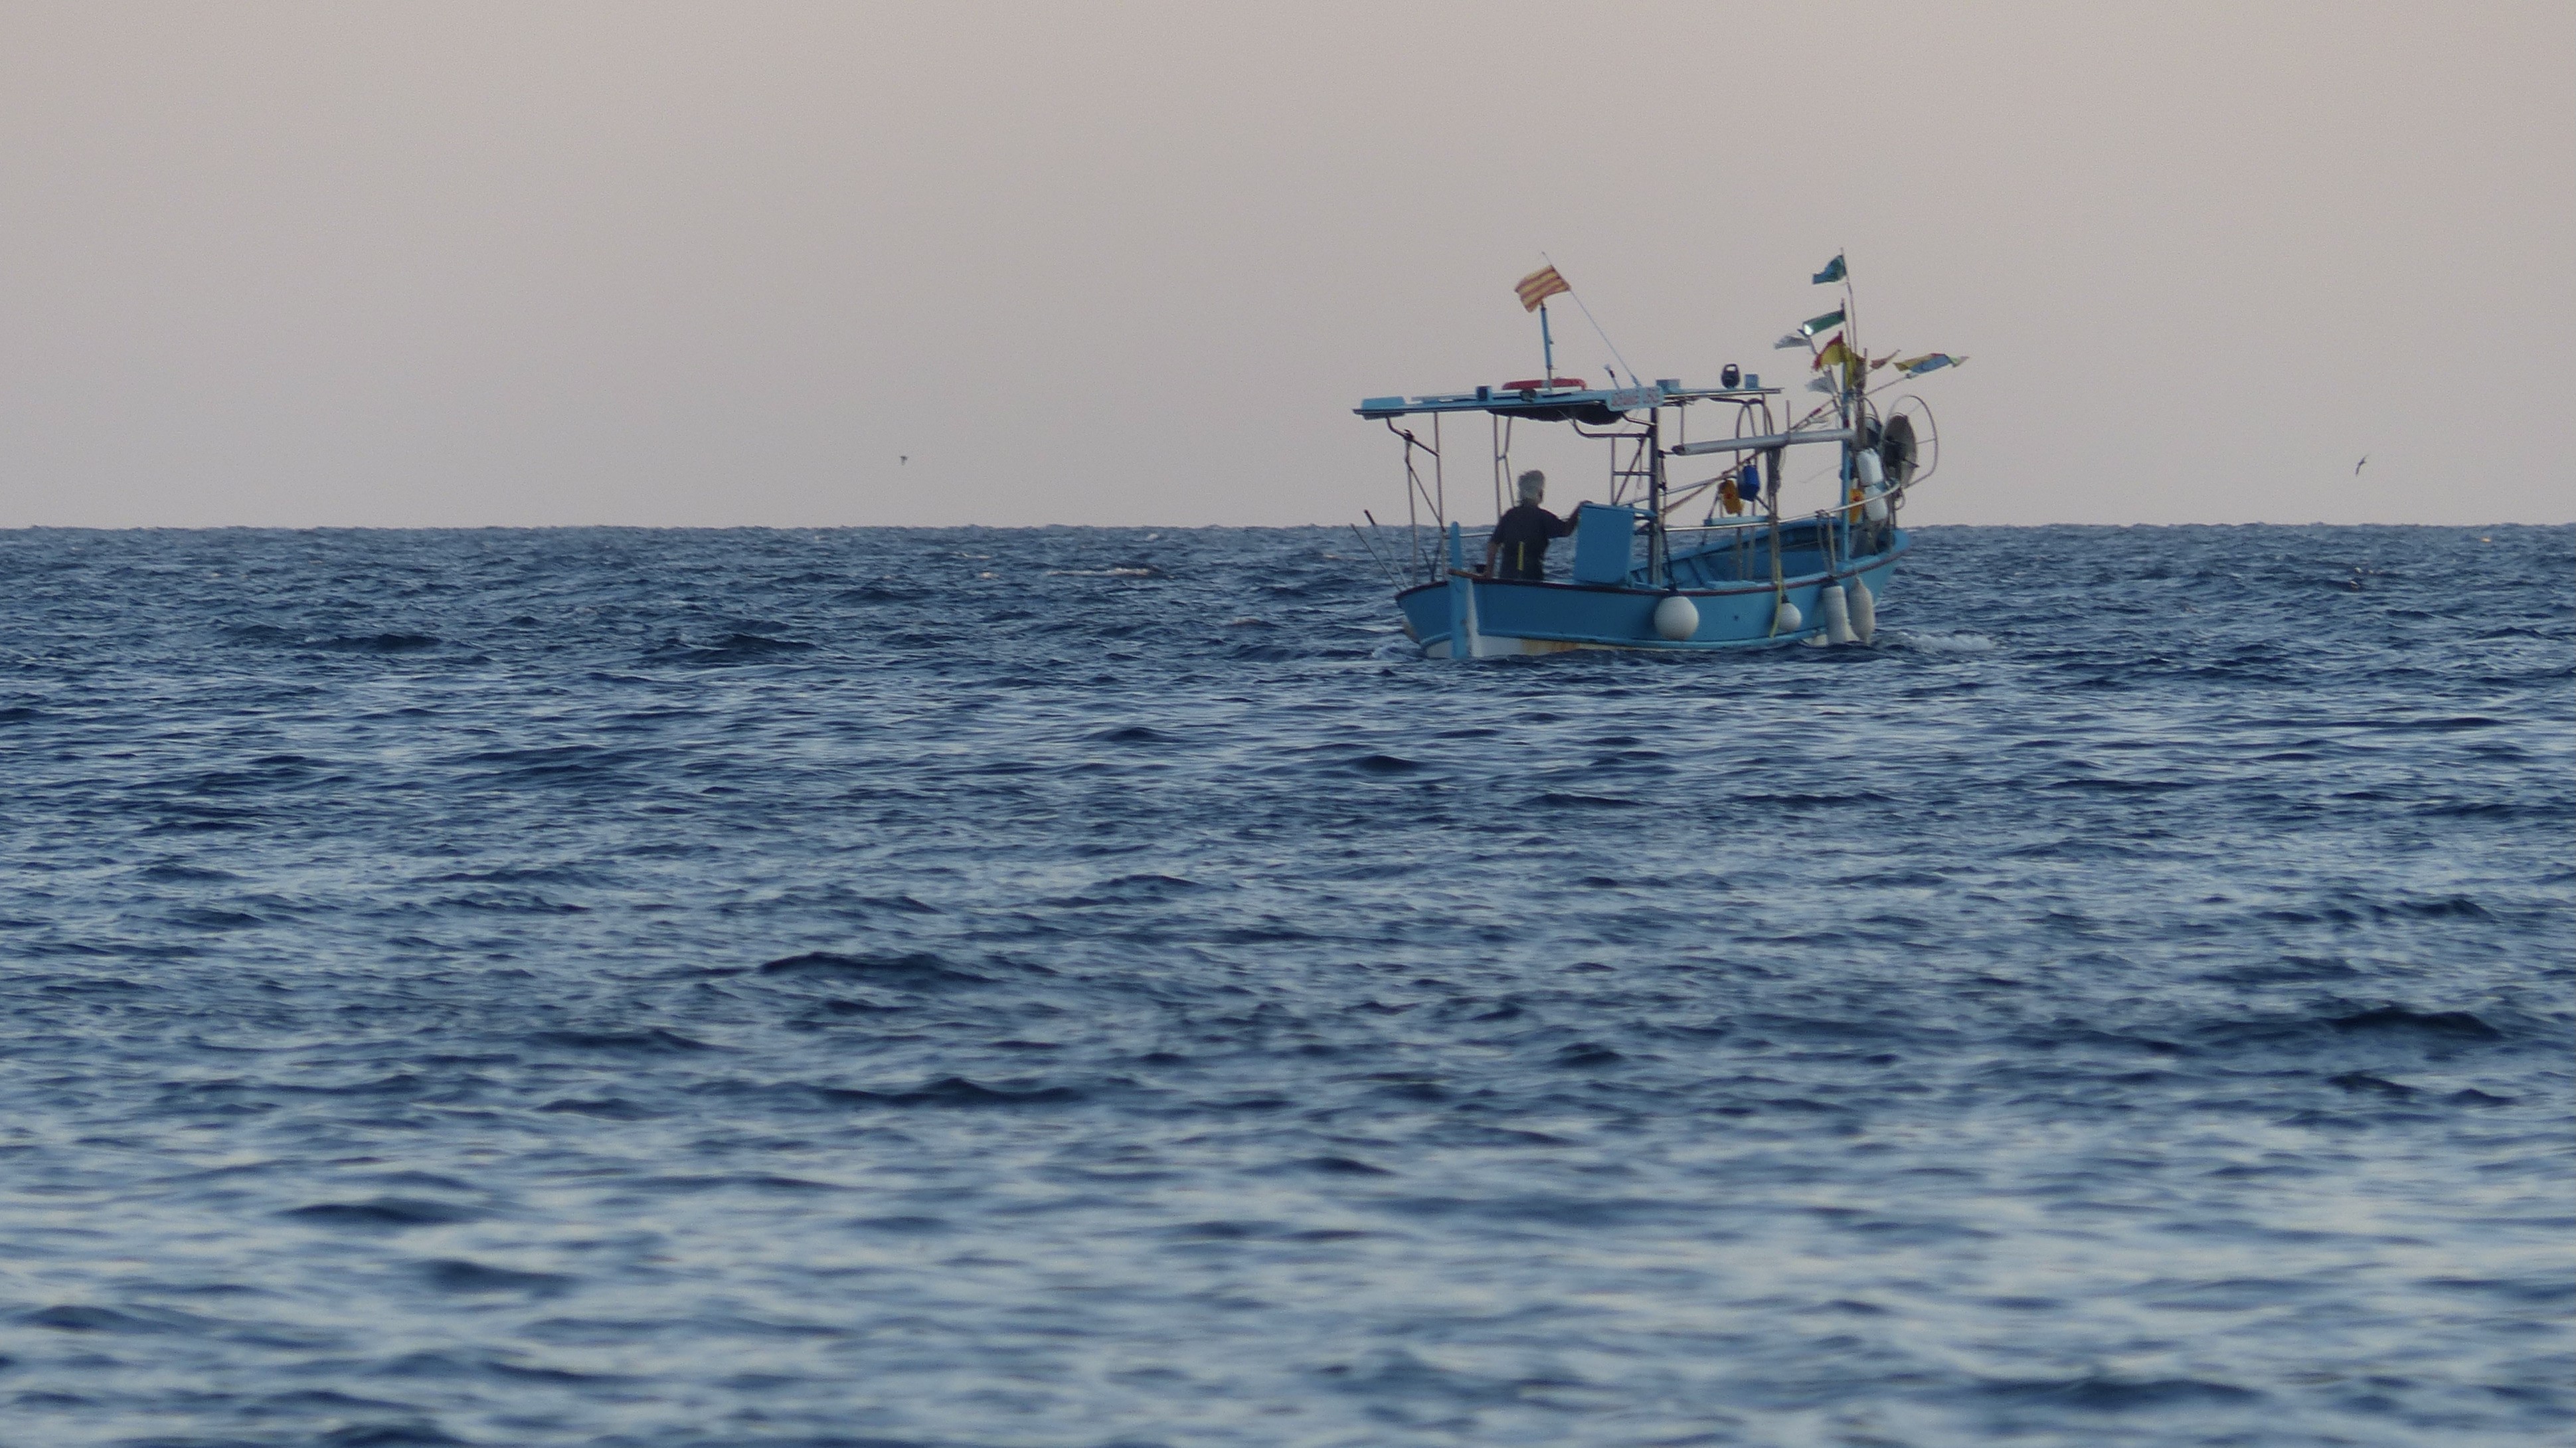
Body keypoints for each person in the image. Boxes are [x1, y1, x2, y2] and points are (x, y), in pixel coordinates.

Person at [1483, 470, 1577, 581]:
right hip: (1533, 580)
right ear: (1540, 494)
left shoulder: (1509, 516)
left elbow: (1493, 543)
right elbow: (1566, 530)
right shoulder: (1543, 517)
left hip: (1507, 580)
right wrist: (1578, 511)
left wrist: (1489, 571)